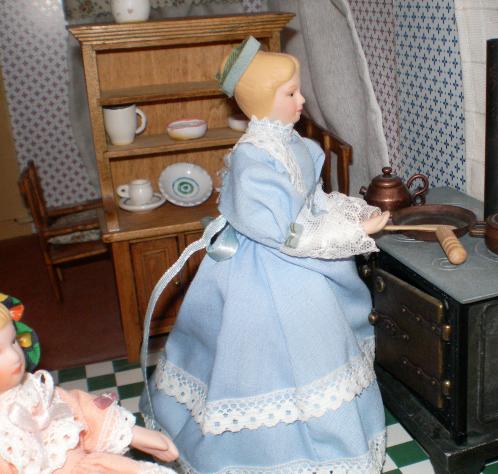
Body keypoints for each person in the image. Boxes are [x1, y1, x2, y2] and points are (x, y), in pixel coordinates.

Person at [141, 36, 389, 473]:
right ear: (262, 99)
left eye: (298, 91)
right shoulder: (252, 159)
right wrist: (351, 229)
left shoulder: (298, 145)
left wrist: (349, 213)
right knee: (257, 358)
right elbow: (282, 231)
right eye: (291, 93)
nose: (302, 100)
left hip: (296, 257)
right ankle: (256, 455)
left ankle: (333, 442)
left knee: (321, 353)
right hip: (264, 268)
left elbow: (311, 202)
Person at [0, 300, 179, 473]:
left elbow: (77, 409)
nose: (15, 356)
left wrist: (131, 433)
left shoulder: (34, 388)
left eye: (14, 341)